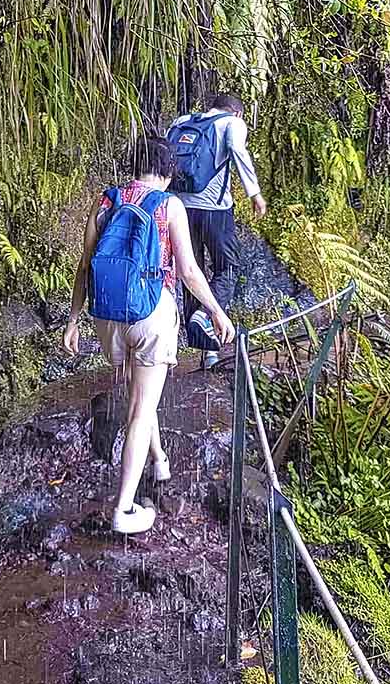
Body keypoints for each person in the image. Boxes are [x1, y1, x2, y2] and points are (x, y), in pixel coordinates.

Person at [63, 131, 236, 535]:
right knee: (141, 409)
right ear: (168, 169)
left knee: (140, 392)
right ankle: (123, 510)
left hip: (108, 316)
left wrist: (73, 320)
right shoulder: (169, 205)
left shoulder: (106, 201)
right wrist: (216, 311)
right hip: (152, 314)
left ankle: (159, 461)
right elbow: (189, 270)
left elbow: (85, 265)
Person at [166, 92, 266, 370]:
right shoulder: (232, 123)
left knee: (191, 272)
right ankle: (205, 316)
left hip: (179, 208)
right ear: (238, 112)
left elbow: (164, 157)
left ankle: (206, 350)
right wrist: (254, 193)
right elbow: (238, 151)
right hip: (215, 210)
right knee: (228, 268)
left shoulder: (182, 122)